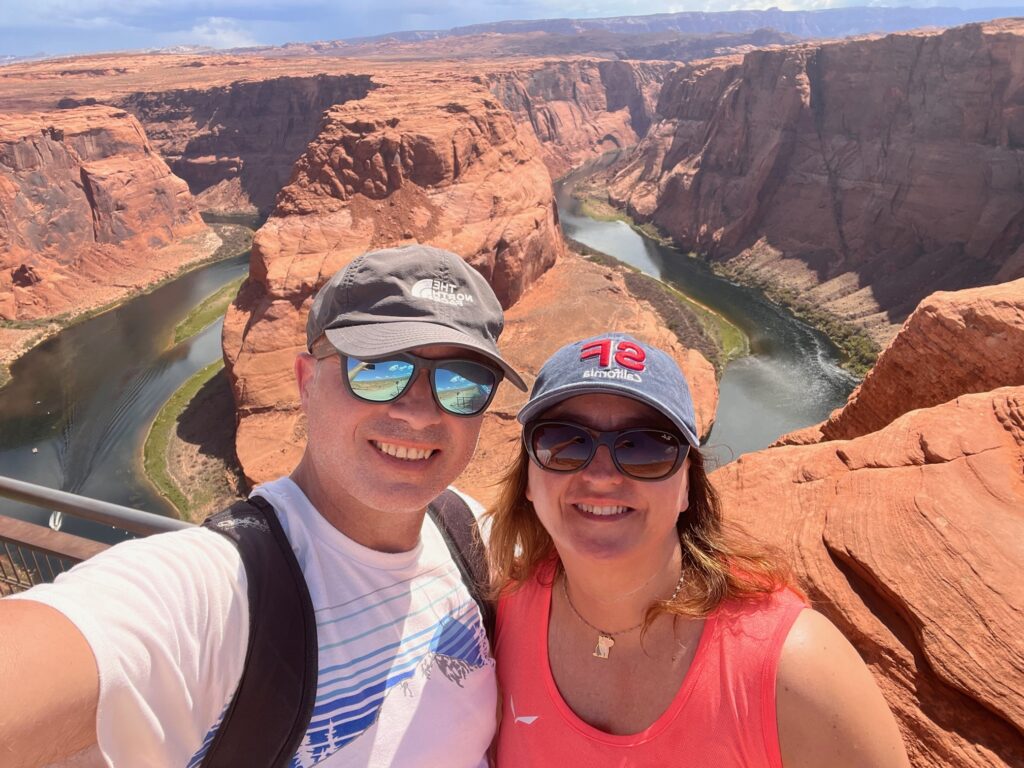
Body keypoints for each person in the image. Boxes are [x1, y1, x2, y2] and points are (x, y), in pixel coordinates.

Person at [0, 244, 527, 768]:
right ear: (306, 380)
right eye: (377, 369)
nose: (418, 412)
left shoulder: (466, 529)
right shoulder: (218, 588)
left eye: (462, 382)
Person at [488, 333, 910, 767]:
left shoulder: (796, 668)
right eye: (565, 442)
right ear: (529, 479)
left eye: (646, 448)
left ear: (688, 484)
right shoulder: (504, 612)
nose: (601, 474)